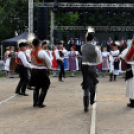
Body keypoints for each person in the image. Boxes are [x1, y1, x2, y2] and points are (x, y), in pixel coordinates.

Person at [81, 28, 102, 112]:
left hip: (84, 67)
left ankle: (86, 106)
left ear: (86, 38)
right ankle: (92, 100)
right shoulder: (96, 48)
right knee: (93, 82)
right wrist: (95, 63)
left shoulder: (82, 47)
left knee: (86, 83)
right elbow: (99, 60)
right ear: (93, 39)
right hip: (92, 66)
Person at [31, 38, 51, 108]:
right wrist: (48, 67)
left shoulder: (32, 51)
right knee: (45, 87)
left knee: (37, 87)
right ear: (39, 44)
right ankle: (40, 102)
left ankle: (35, 102)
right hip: (41, 71)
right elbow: (48, 61)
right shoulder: (41, 52)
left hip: (34, 71)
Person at [120, 38, 134, 108]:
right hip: (131, 68)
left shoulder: (129, 49)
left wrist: (126, 59)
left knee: (131, 85)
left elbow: (122, 56)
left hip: (131, 69)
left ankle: (132, 102)